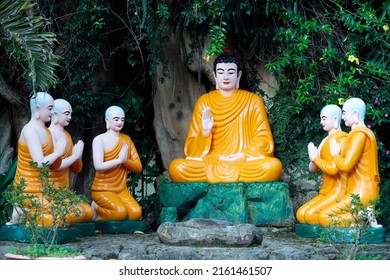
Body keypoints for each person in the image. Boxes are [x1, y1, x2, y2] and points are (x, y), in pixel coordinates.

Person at [168, 51, 282, 183]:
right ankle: (230, 177)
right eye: (221, 72)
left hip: (243, 160)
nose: (226, 76)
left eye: (231, 72)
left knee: (272, 167)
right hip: (211, 160)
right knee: (177, 168)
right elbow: (191, 150)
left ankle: (224, 176)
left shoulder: (253, 101)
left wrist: (242, 154)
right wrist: (205, 133)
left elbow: (264, 140)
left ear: (238, 75)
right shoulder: (204, 102)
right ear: (215, 76)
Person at [319, 97, 380, 227]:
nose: (343, 117)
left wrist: (335, 153)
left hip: (363, 191)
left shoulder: (360, 135)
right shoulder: (356, 134)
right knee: (325, 214)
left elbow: (346, 166)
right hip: (356, 191)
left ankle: (362, 216)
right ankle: (361, 216)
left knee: (324, 217)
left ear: (355, 114)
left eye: (345, 113)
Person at [9, 92, 66, 226]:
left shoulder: (47, 132)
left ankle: (24, 213)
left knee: (68, 212)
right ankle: (22, 210)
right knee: (59, 218)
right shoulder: (30, 130)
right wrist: (57, 153)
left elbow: (53, 166)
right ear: (38, 109)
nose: (52, 113)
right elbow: (39, 163)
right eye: (50, 108)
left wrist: (59, 154)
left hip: (43, 188)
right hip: (28, 189)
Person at [296, 104, 347, 225]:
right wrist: (313, 157)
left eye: (324, 119)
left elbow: (334, 169)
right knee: (301, 214)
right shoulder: (325, 140)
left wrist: (316, 158)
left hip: (339, 190)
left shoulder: (343, 139)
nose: (321, 122)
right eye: (321, 119)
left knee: (309, 216)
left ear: (335, 120)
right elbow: (313, 169)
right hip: (326, 190)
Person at [91, 105, 143, 220]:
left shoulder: (126, 140)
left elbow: (138, 167)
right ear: (107, 121)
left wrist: (125, 161)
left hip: (121, 189)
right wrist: (119, 160)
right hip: (102, 189)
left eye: (122, 119)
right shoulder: (99, 140)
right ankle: (96, 207)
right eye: (116, 119)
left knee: (136, 213)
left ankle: (110, 213)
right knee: (119, 212)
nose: (120, 122)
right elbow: (98, 166)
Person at [48, 98, 94, 223]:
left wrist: (78, 156)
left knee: (88, 212)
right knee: (69, 215)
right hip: (49, 190)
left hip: (64, 192)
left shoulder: (67, 136)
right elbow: (54, 166)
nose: (70, 117)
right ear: (55, 114)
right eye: (67, 113)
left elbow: (76, 169)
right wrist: (74, 156)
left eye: (71, 114)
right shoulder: (48, 135)